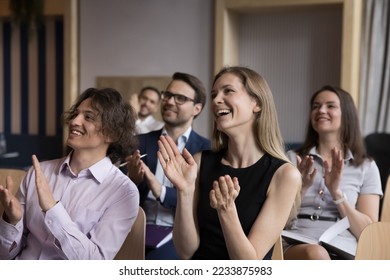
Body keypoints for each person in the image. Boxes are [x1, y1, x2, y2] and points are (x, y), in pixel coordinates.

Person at [157, 66, 301, 260]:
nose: (216, 100)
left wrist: (226, 211)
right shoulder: (200, 162)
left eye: (228, 91)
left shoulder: (284, 175)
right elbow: (185, 251)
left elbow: (248, 266)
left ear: (256, 103)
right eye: (214, 94)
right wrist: (185, 191)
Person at [0, 87, 140, 260]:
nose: (74, 121)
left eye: (88, 117)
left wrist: (52, 209)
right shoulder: (39, 172)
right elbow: (5, 256)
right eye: (76, 114)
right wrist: (10, 221)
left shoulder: (124, 192)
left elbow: (95, 263)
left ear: (112, 134)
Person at [283, 85, 383, 260]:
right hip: (296, 242)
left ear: (347, 115)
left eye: (330, 106)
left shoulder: (366, 166)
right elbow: (275, 218)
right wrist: (302, 189)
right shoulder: (292, 159)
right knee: (316, 254)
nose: (321, 110)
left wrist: (337, 192)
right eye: (316, 106)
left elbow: (368, 234)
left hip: (344, 246)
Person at [125, 72, 211, 259]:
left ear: (197, 108)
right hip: (136, 230)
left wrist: (161, 190)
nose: (170, 101)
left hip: (180, 236)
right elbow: (120, 196)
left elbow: (203, 202)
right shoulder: (138, 142)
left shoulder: (207, 150)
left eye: (180, 98)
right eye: (168, 95)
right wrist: (134, 180)